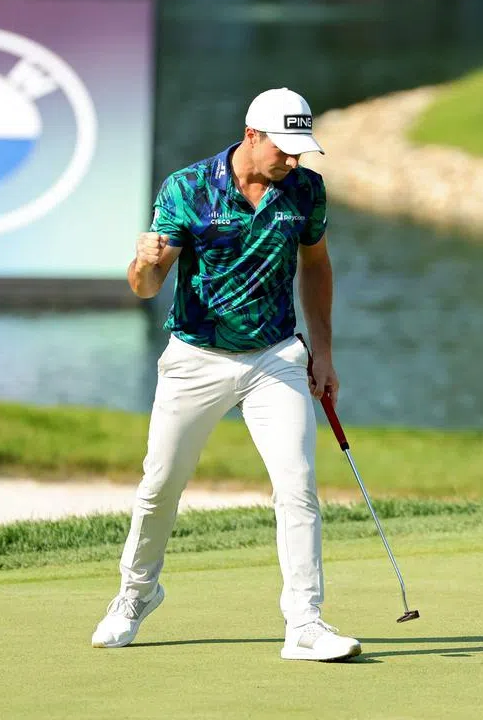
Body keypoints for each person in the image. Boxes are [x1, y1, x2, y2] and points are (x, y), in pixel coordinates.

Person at [90, 87, 361, 662]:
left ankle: (305, 623)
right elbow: (144, 287)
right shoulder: (187, 189)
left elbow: (316, 266)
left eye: (300, 151)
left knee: (298, 486)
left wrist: (325, 352)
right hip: (196, 358)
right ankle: (136, 594)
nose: (293, 162)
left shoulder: (306, 190)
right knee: (160, 486)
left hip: (275, 358)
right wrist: (141, 261)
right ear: (252, 135)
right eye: (284, 150)